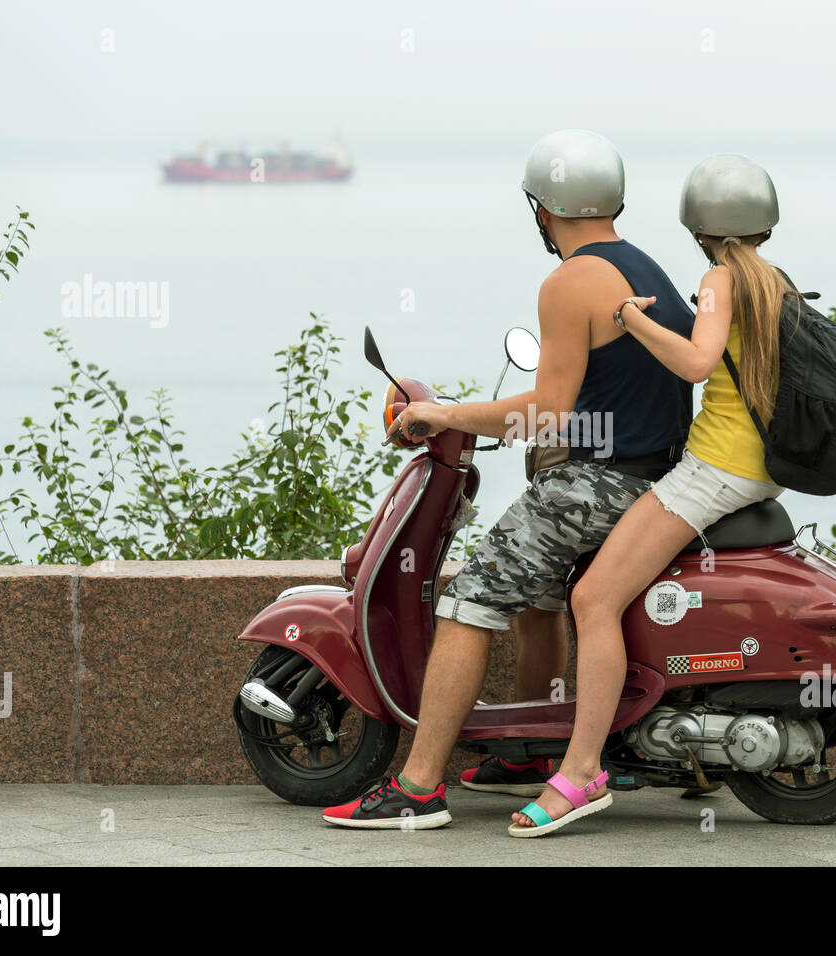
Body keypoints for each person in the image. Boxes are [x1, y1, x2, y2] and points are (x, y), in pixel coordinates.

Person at [321, 129, 695, 829]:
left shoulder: (568, 281)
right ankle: (527, 752)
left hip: (599, 485)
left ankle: (419, 787)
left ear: (542, 209)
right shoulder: (646, 269)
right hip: (656, 480)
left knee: (470, 598)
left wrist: (445, 414)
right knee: (536, 594)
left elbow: (549, 412)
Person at [508, 153, 789, 836]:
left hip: (714, 469)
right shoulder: (777, 282)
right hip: (759, 467)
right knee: (621, 582)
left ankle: (579, 773)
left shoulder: (720, 279)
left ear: (699, 224)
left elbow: (695, 362)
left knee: (592, 598)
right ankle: (662, 743)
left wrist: (630, 319)